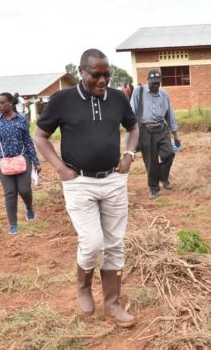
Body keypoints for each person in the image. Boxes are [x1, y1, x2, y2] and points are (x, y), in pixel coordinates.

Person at [34, 48, 139, 327]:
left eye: (107, 74)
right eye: (96, 74)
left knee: (114, 244)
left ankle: (113, 304)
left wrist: (129, 155)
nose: (103, 80)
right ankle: (83, 287)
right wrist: (59, 168)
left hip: (114, 180)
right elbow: (40, 136)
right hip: (79, 182)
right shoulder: (62, 100)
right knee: (92, 243)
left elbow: (133, 127)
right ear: (82, 71)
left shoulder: (117, 98)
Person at [0, 92, 41, 234]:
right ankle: (13, 224)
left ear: (10, 103)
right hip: (2, 161)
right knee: (10, 192)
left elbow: (28, 142)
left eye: (2, 102)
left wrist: (36, 161)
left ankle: (29, 207)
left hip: (22, 160)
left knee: (25, 190)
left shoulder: (21, 120)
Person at [130, 69, 180, 199]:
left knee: (169, 154)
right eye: (153, 83)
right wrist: (132, 137)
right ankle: (154, 188)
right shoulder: (138, 92)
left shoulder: (164, 95)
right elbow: (131, 113)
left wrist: (175, 135)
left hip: (162, 129)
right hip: (145, 130)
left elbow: (170, 115)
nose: (155, 85)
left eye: (158, 83)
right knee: (151, 161)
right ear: (147, 81)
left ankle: (163, 177)